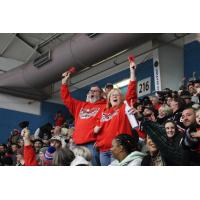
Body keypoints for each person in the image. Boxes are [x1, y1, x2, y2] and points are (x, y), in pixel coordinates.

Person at [94, 59, 138, 165]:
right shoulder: (103, 112)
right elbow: (96, 129)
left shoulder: (124, 107)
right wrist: (96, 133)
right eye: (112, 95)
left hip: (120, 149)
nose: (114, 96)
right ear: (108, 99)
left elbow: (131, 89)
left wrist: (132, 72)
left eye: (117, 94)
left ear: (121, 98)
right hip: (103, 150)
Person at [61, 70, 107, 166]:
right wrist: (64, 83)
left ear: (101, 94)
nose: (92, 92)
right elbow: (66, 99)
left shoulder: (105, 106)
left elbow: (107, 124)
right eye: (90, 90)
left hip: (92, 144)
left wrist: (100, 140)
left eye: (95, 91)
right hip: (76, 144)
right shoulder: (80, 105)